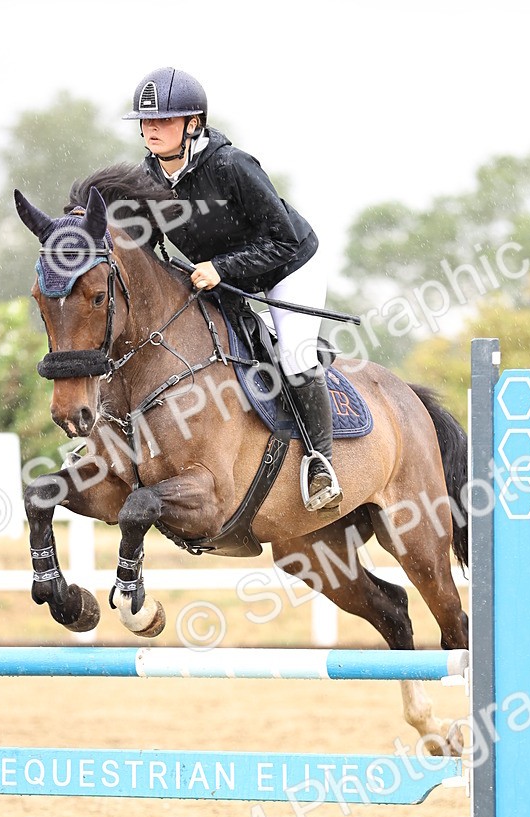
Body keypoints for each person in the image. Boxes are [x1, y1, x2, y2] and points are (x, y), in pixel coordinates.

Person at [123, 66, 342, 512]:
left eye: (164, 120)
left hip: (288, 268)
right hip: (222, 278)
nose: (151, 129)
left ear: (193, 124)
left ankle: (321, 462)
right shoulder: (148, 180)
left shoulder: (232, 166)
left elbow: (283, 240)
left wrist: (221, 268)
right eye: (146, 121)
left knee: (295, 356)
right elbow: (144, 244)